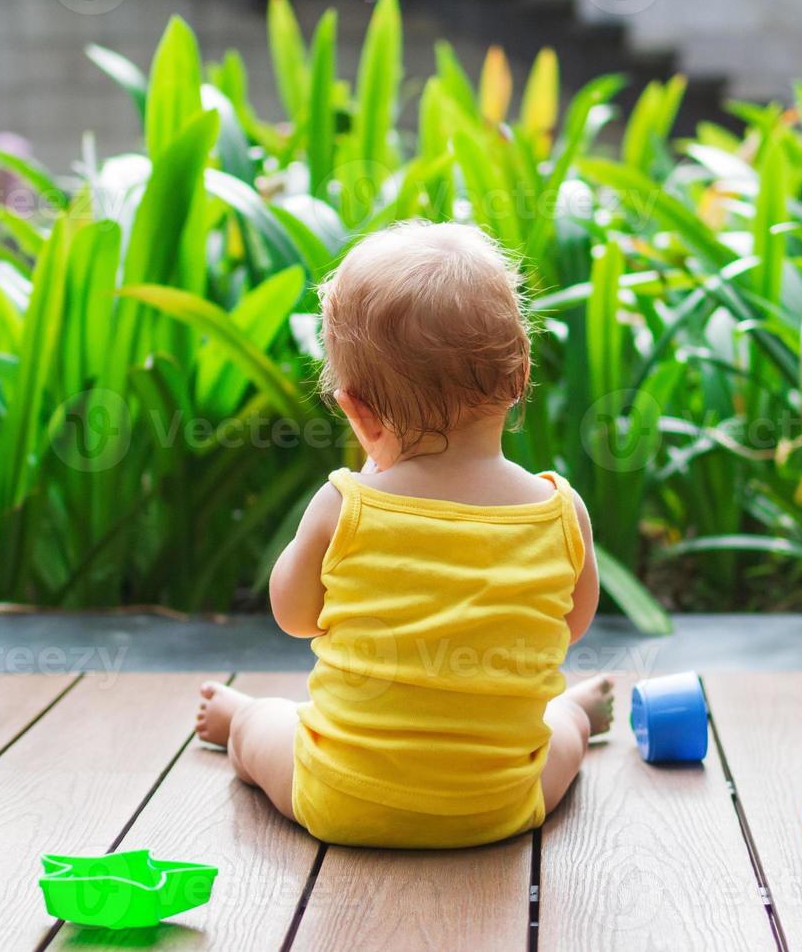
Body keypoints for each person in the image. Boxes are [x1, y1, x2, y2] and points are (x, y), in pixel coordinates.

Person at [196, 221, 606, 849]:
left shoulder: (346, 505)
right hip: (497, 806)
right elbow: (569, 626)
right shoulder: (558, 509)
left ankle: (239, 719)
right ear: (521, 375)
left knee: (273, 723)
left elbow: (293, 615)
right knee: (560, 732)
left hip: (342, 802)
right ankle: (579, 713)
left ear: (356, 409)